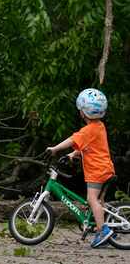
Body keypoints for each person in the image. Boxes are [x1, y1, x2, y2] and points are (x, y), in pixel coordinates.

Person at [46, 88, 115, 248]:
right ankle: (103, 225)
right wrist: (73, 154)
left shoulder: (87, 129)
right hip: (105, 169)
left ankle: (102, 230)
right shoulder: (99, 126)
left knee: (92, 200)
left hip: (97, 172)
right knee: (99, 201)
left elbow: (73, 139)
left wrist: (55, 149)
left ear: (84, 112)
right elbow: (88, 144)